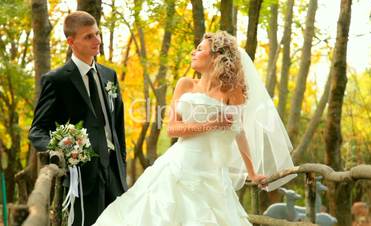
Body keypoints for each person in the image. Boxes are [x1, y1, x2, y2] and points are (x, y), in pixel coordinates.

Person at [93, 31, 295, 226]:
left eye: (200, 49)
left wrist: (252, 172)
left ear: (216, 56)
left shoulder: (232, 91)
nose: (193, 53)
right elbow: (172, 129)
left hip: (212, 174)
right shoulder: (185, 84)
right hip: (178, 166)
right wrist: (210, 125)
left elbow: (239, 131)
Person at [29, 11, 127, 226]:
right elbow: (37, 130)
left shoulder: (109, 76)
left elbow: (118, 125)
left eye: (98, 34)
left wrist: (122, 163)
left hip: (114, 173)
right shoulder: (57, 80)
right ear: (71, 42)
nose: (98, 40)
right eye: (89, 36)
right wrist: (60, 149)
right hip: (82, 176)